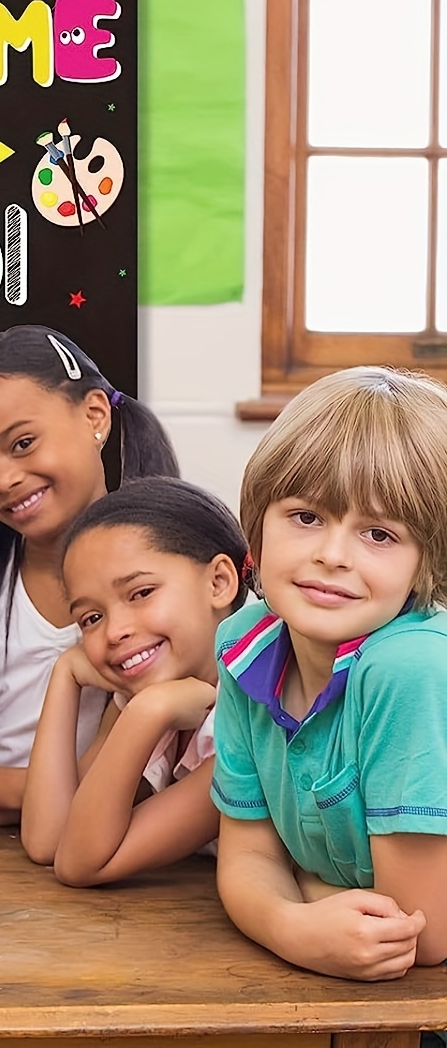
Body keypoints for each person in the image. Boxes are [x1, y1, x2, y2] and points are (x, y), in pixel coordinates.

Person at [214, 366, 447, 981]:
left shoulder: (411, 666)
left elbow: (419, 933)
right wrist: (289, 925)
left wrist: (297, 885)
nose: (333, 555)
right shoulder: (244, 644)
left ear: (429, 560)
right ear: (258, 523)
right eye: (307, 516)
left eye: (378, 533)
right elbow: (246, 855)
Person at [0, 325, 179, 821]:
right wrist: (27, 797)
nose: (2, 480)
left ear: (95, 416)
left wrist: (38, 806)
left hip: (95, 844)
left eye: (23, 443)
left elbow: (150, 774)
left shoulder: (164, 581)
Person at [20, 478, 248, 883]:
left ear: (219, 582)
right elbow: (47, 839)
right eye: (90, 618)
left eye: (140, 592)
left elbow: (80, 863)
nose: (114, 632)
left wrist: (148, 712)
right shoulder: (153, 689)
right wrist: (65, 676)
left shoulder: (254, 716)